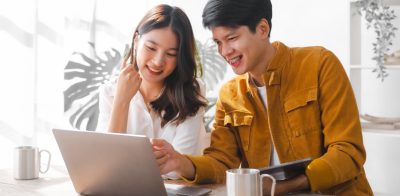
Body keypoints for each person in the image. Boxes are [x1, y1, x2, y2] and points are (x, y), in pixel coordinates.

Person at [152, 0, 373, 195]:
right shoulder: (230, 94)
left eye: (232, 38)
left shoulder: (319, 64)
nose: (225, 51)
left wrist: (287, 187)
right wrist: (179, 162)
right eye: (218, 42)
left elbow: (348, 152)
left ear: (262, 28)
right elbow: (221, 162)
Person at [97, 4, 208, 162]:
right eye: (151, 48)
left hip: (173, 187)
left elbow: (180, 166)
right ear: (136, 41)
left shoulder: (191, 91)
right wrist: (121, 101)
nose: (158, 62)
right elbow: (105, 162)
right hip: (121, 187)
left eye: (171, 54)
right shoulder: (110, 92)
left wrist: (125, 160)